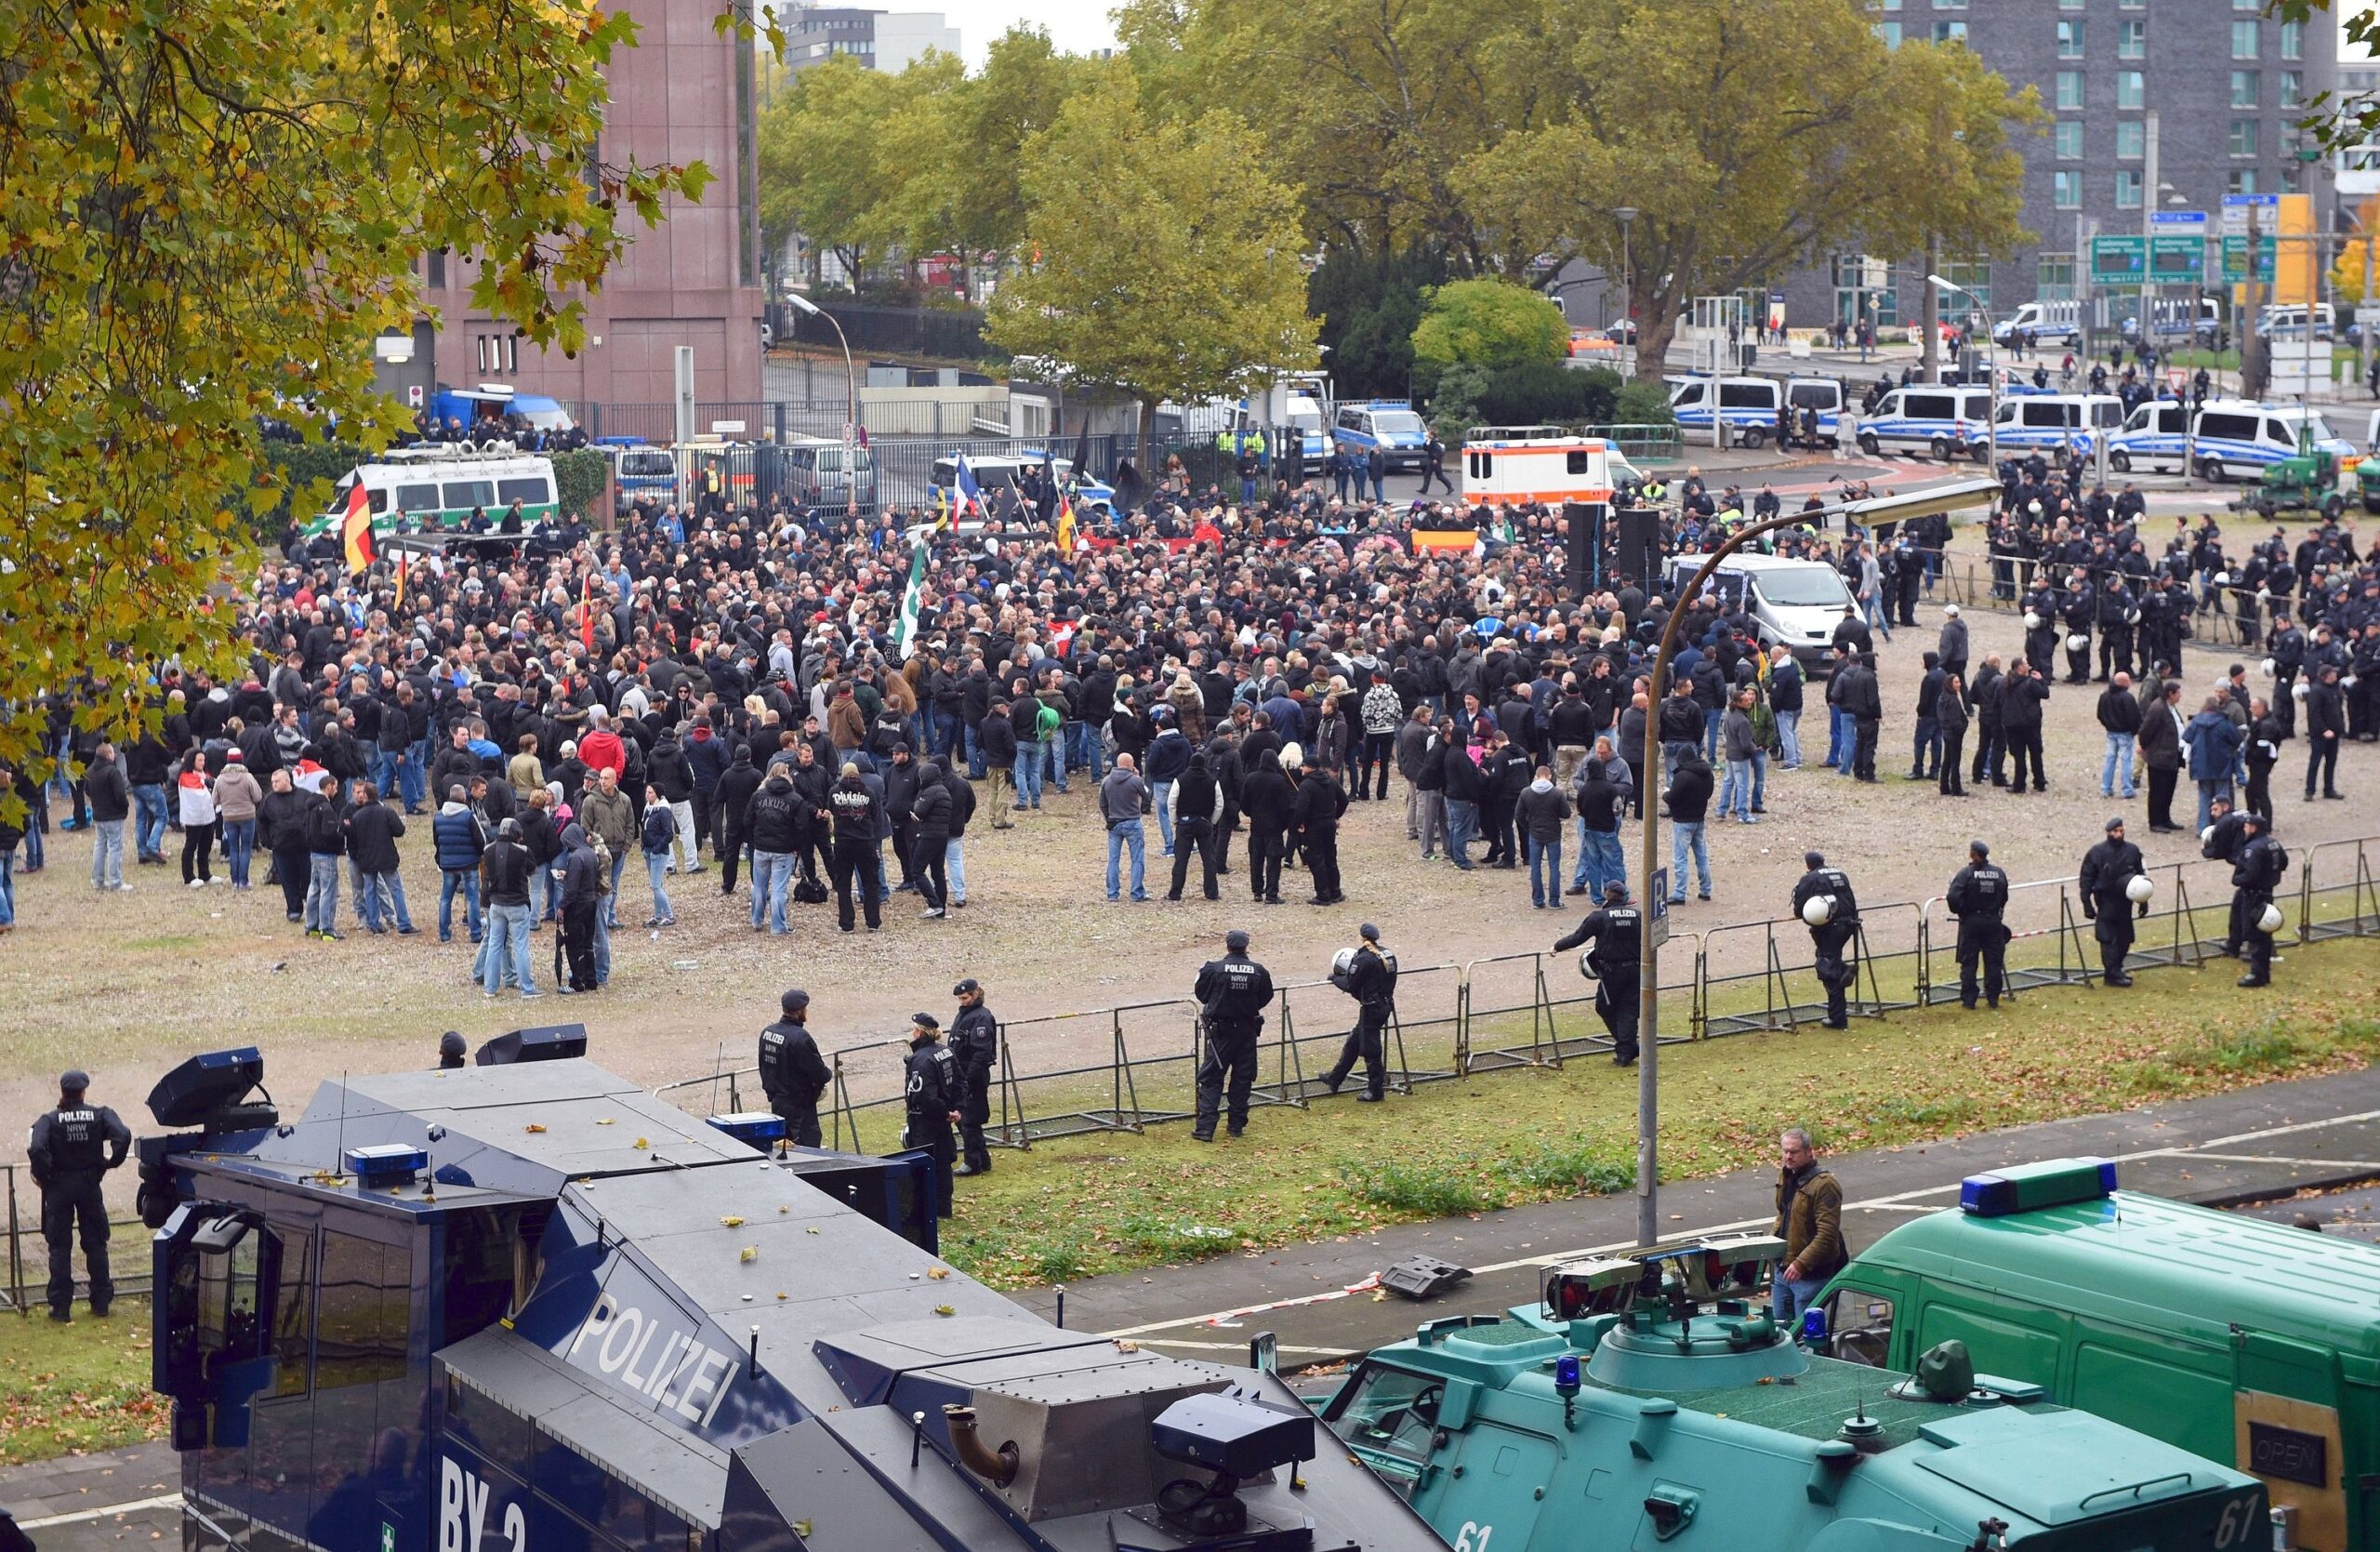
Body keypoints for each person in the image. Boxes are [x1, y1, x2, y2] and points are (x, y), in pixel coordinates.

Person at [27, 1069, 130, 1322]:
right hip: (89, 1184)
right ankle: (101, 1302)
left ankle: (61, 1307)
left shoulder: (49, 1120)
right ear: (84, 1092)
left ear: (62, 1092)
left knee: (59, 1247)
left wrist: (45, 1177)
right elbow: (124, 1135)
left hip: (59, 1186)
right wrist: (110, 1163)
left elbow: (37, 1148)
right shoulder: (99, 1115)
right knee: (96, 1244)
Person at [1192, 928, 1276, 1141]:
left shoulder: (1214, 968)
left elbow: (1201, 993)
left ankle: (1205, 1129)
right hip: (1247, 1030)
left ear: (1227, 946)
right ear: (1246, 946)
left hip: (1222, 1031)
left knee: (1211, 1079)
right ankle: (1236, 1125)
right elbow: (1266, 996)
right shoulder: (1258, 971)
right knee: (1242, 1079)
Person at [1554, 880, 1644, 1065]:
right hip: (1635, 969)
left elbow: (1578, 937)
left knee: (1605, 1007)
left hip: (1611, 972)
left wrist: (1557, 946)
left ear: (1607, 894)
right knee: (1628, 1009)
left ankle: (1626, 1048)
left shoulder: (1600, 917)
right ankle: (1627, 1048)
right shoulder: (1638, 916)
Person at [1770, 1128, 1844, 1327]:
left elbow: (1827, 1235)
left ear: (1809, 1151)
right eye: (1785, 1151)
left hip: (1810, 1276)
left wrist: (1800, 1264)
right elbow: (1782, 1214)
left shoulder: (1824, 1185)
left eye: (1793, 1152)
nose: (1788, 1156)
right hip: (1783, 1270)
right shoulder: (1786, 1176)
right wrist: (1770, 1247)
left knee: (1809, 1337)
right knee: (1780, 1332)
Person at [1322, 923, 1398, 1099]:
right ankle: (1335, 1079)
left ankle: (1375, 1090)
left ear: (1362, 937)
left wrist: (1334, 978)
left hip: (1372, 1007)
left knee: (1371, 1049)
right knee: (1354, 1043)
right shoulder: (1388, 953)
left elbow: (1350, 985)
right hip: (1385, 1003)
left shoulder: (1364, 959)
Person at [1792, 851, 1861, 1028]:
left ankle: (1838, 1018)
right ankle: (1844, 969)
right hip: (1849, 924)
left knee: (1827, 967)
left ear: (1808, 865)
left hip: (1830, 928)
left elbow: (1799, 910)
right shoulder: (1840, 874)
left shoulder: (1810, 879)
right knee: (1829, 959)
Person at [902, 1012, 960, 1218]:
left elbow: (924, 1095)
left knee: (922, 1164)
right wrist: (955, 1110)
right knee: (944, 1164)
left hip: (925, 1120)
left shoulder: (920, 1060)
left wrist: (945, 1113)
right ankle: (944, 1208)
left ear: (919, 1032)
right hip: (944, 1119)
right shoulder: (947, 1052)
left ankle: (922, 1211)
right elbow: (960, 1084)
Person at [2079, 816, 2147, 988]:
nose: (2119, 834)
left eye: (2121, 831)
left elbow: (2140, 875)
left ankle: (2116, 969)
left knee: (2125, 938)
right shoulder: (2097, 852)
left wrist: (2143, 900)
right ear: (2108, 832)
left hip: (2126, 900)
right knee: (2108, 938)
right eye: (2115, 831)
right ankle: (2112, 972)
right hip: (2106, 899)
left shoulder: (2132, 850)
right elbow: (2086, 878)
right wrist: (2086, 903)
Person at [758, 988, 830, 1147]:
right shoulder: (800, 1038)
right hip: (800, 1109)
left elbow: (764, 1067)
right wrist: (827, 1074)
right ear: (800, 1011)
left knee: (781, 1148)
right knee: (807, 1151)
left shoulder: (767, 1033)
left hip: (777, 1104)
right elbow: (819, 1073)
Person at [1945, 839, 2010, 1010]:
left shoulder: (1966, 874)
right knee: (1994, 961)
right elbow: (2004, 896)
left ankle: (1969, 999)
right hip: (1993, 921)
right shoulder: (1999, 873)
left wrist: (1961, 910)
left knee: (1969, 961)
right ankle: (1993, 997)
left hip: (1971, 922)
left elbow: (1953, 897)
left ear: (1973, 854)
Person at [479, 816, 539, 999]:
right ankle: (527, 988)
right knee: (520, 946)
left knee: (494, 945)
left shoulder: (488, 850)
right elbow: (532, 869)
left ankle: (490, 987)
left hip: (496, 903)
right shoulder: (522, 851)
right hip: (517, 903)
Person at [2231, 814, 2289, 988]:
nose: (2244, 829)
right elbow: (2284, 863)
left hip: (2253, 895)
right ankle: (2261, 972)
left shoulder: (2253, 849)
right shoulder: (2274, 843)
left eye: (2247, 826)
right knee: (2263, 932)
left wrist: (2237, 879)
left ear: (2254, 828)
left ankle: (2258, 973)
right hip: (2267, 892)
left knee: (2256, 934)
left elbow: (2250, 874)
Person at [950, 978, 998, 1175]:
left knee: (969, 1119)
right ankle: (981, 1158)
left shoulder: (981, 1018)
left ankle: (973, 1161)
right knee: (968, 1119)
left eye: (965, 997)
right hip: (965, 1072)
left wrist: (967, 1079)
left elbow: (981, 1052)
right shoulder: (967, 1015)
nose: (962, 1001)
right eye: (960, 998)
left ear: (975, 994)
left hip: (972, 1074)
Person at [1167, 749, 1223, 902]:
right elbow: (1219, 804)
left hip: (1185, 823)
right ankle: (1211, 892)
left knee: (1181, 859)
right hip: (1204, 822)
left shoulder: (1180, 779)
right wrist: (1212, 821)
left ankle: (1175, 892)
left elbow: (1171, 802)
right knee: (1209, 859)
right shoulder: (1212, 781)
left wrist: (1175, 820)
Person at [1100, 752, 1151, 902]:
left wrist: (1108, 817)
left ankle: (1112, 893)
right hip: (1132, 822)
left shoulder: (1107, 781)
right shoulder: (1135, 781)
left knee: (1113, 859)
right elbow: (1148, 794)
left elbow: (1102, 803)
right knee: (1137, 858)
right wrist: (1139, 778)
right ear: (1130, 764)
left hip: (1114, 823)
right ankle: (1137, 892)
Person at [2096, 672, 2142, 800]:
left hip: (2111, 732)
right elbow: (2133, 717)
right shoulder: (2127, 698)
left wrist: (2108, 725)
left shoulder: (2105, 696)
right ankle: (2127, 789)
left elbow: (2100, 714)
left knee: (2109, 760)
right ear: (2124, 683)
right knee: (2127, 760)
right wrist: (2134, 730)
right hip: (2125, 733)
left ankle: (2106, 788)